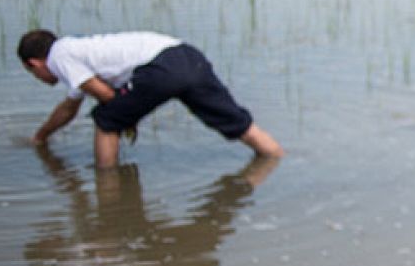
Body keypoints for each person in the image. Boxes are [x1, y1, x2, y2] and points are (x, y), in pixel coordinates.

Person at [17, 29, 284, 169]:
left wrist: (125, 117)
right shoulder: (76, 51)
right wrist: (41, 137)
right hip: (187, 56)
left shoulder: (59, 55)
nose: (40, 78)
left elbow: (106, 95)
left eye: (33, 74)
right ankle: (276, 158)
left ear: (34, 64)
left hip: (159, 67)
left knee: (106, 120)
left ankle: (108, 187)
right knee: (237, 122)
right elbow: (69, 107)